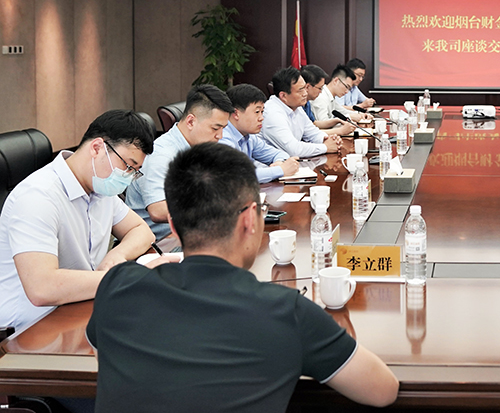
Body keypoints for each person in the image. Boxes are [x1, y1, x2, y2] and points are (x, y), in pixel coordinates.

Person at [87, 143, 399, 412]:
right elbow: (383, 391)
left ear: (172, 224)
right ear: (250, 218)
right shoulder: (286, 311)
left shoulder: (118, 287)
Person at [0, 110, 171, 333]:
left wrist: (116, 256)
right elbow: (42, 288)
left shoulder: (99, 186)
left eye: (135, 172)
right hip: (28, 330)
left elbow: (141, 230)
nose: (128, 178)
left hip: (81, 307)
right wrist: (122, 278)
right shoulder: (37, 196)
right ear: (97, 148)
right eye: (128, 167)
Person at [126, 84, 233, 240]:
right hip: (159, 243)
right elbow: (158, 211)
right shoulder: (162, 155)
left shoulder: (198, 147)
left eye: (223, 128)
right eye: (215, 128)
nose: (220, 136)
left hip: (191, 233)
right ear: (190, 121)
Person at [221, 83, 300, 183]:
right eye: (257, 112)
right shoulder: (222, 137)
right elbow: (238, 175)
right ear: (236, 114)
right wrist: (280, 170)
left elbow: (279, 153)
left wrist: (279, 162)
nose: (261, 118)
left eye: (262, 112)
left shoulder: (249, 136)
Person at [261, 67, 342, 158]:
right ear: (283, 96)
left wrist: (327, 139)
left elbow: (312, 132)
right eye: (300, 90)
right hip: (273, 164)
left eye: (305, 88)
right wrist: (326, 147)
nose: (305, 93)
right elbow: (294, 150)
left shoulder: (296, 107)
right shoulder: (273, 114)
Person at [300, 64, 355, 136]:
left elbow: (314, 123)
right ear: (307, 87)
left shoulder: (307, 103)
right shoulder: (298, 105)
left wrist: (336, 120)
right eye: (320, 88)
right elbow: (308, 133)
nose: (321, 92)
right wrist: (340, 131)